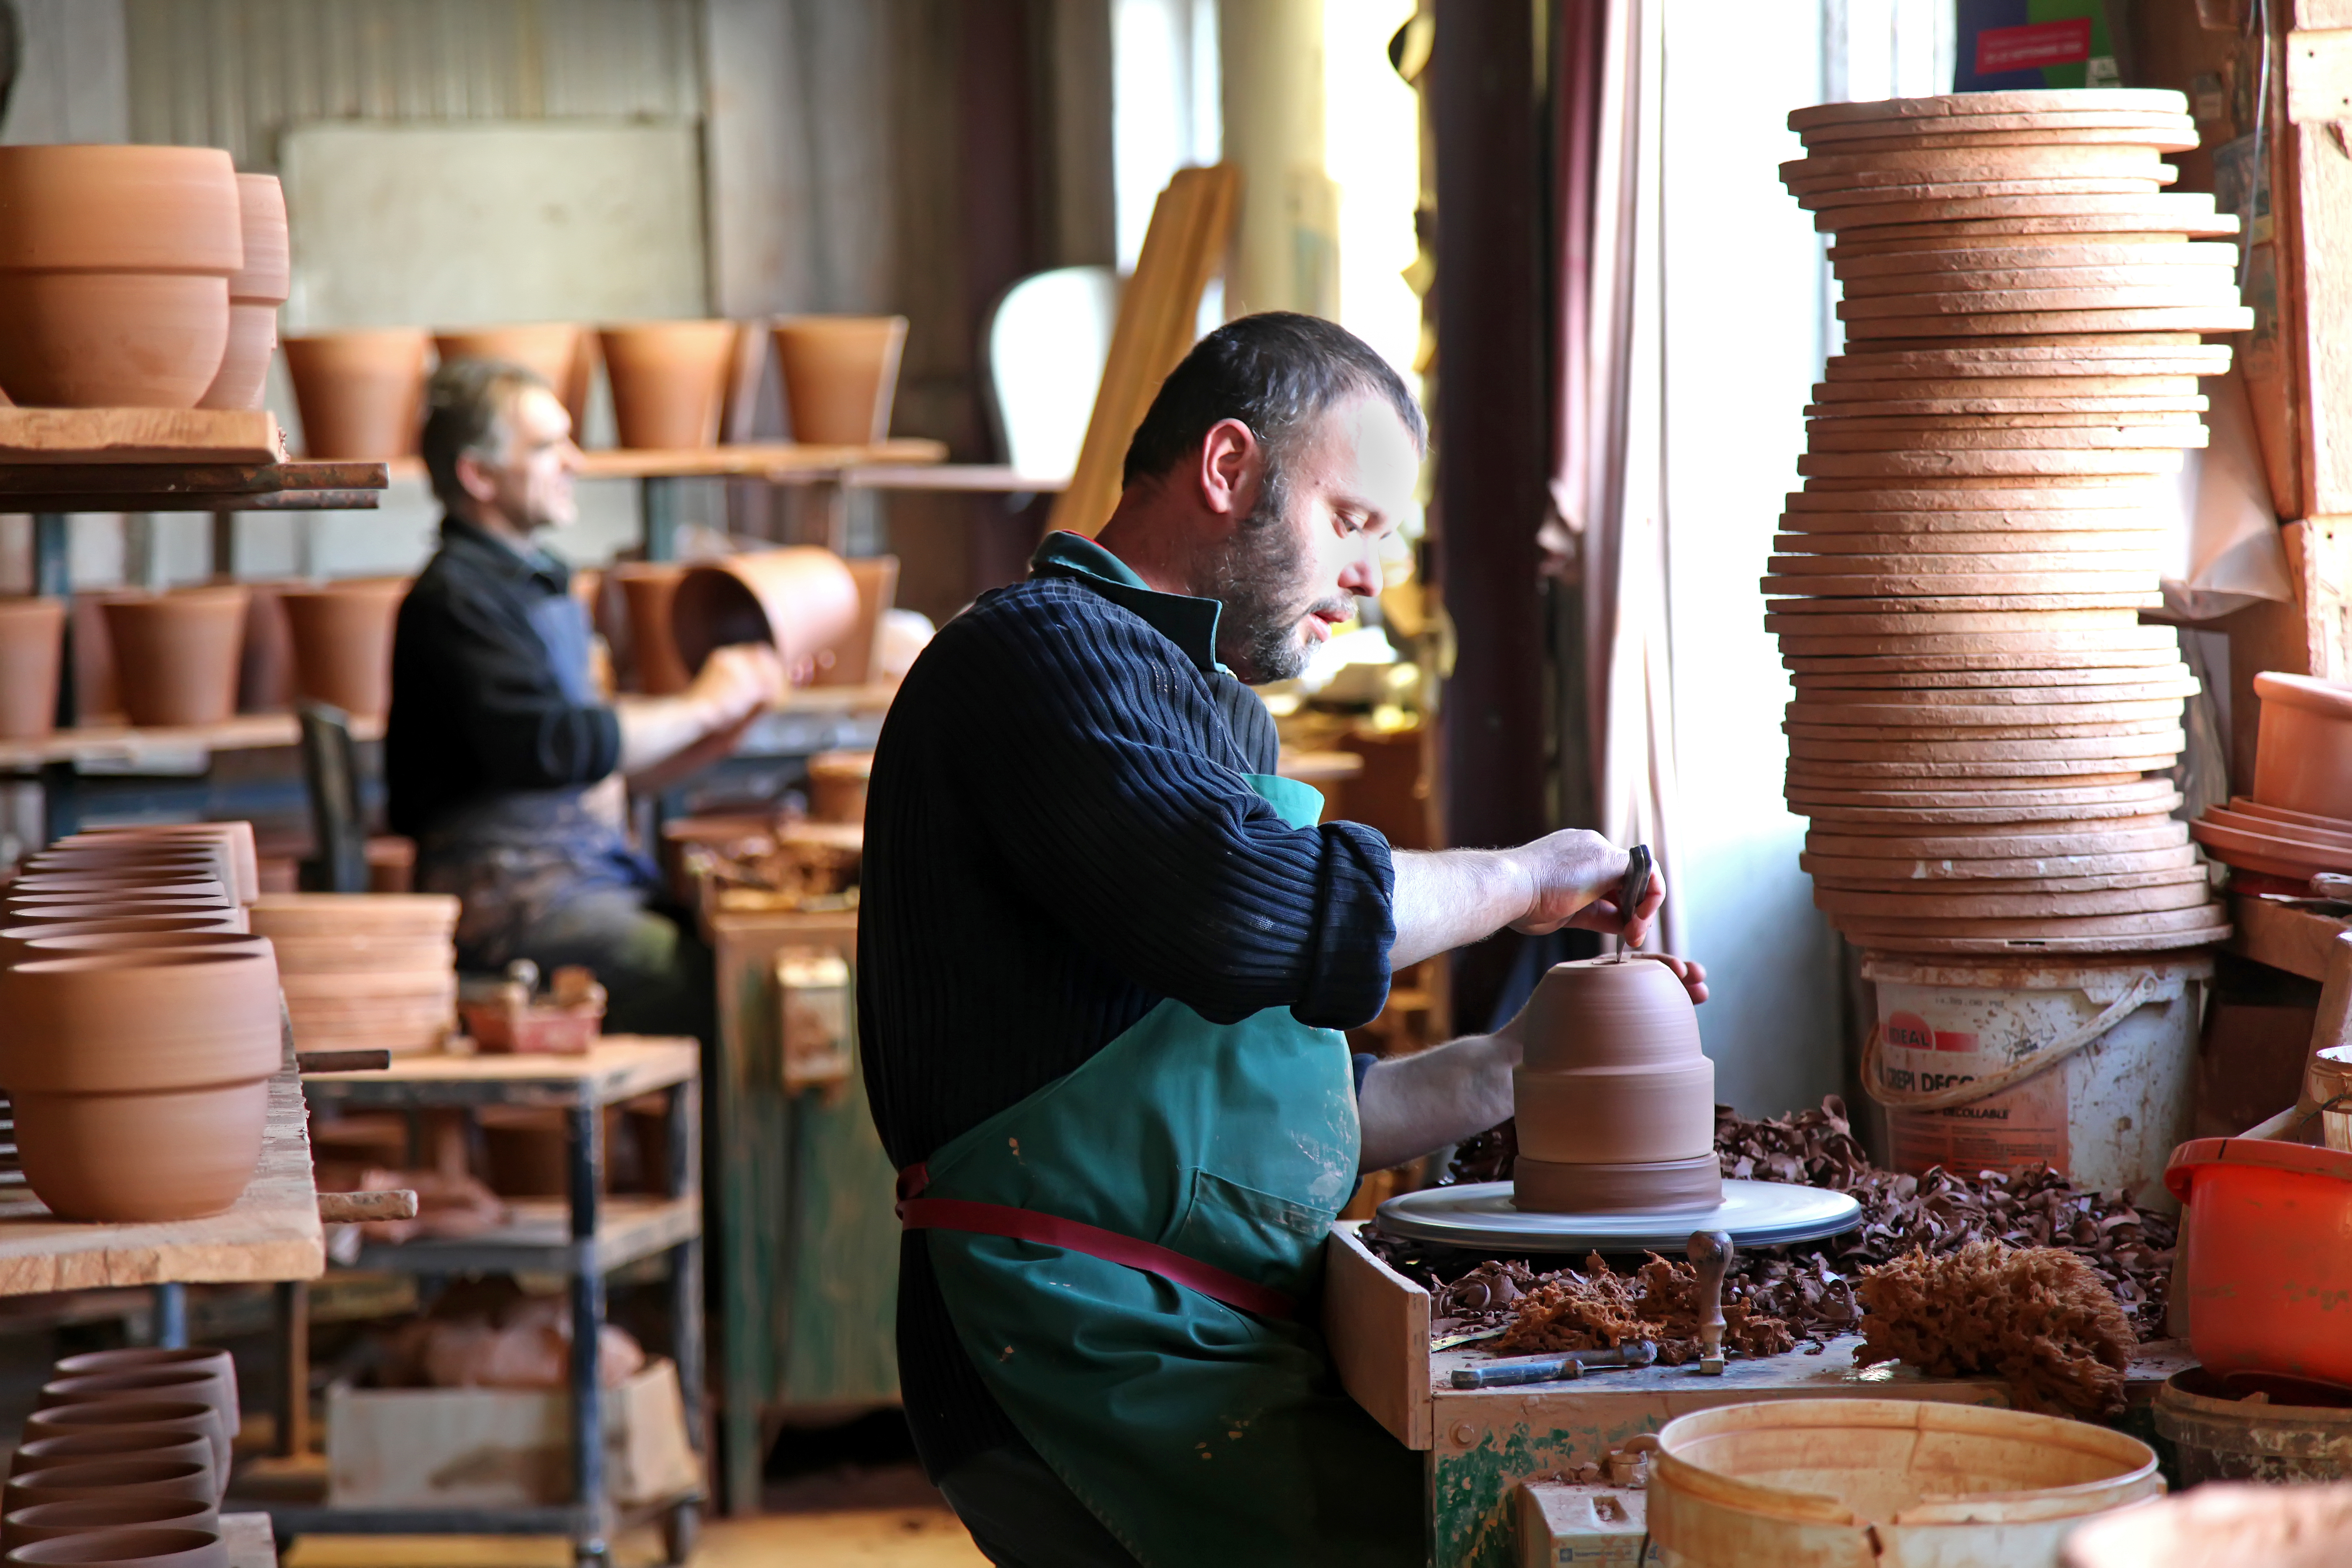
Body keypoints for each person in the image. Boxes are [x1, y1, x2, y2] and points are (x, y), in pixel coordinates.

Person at [859, 312, 1708, 1567]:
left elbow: (1262, 1115)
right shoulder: (1038, 657)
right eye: (1355, 520)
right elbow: (1248, 915)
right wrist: (1526, 875)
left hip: (1186, 1316)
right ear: (1227, 471)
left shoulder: (1215, 722)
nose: (1374, 574)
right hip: (1073, 1329)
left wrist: (1520, 1062)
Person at [384, 358, 784, 1042]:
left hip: (580, 878)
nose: (574, 462)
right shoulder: (457, 600)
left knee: (747, 945)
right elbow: (551, 747)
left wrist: (712, 740)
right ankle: (695, 1156)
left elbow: (588, 771)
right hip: (509, 902)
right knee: (708, 987)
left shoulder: (535, 586)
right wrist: (702, 705)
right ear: (479, 475)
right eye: (545, 447)